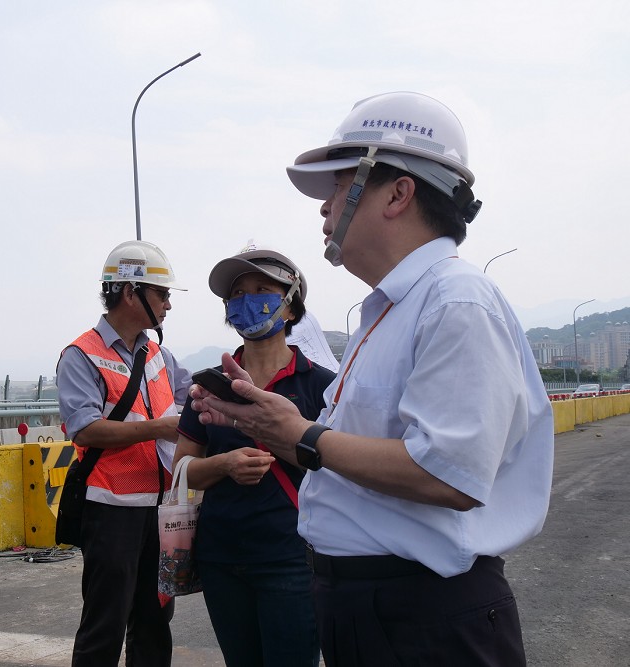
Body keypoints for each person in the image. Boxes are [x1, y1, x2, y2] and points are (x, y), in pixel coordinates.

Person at [189, 92, 553, 665]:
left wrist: (300, 436)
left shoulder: (455, 300)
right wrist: (278, 423)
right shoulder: (384, 312)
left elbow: (449, 475)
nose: (324, 209)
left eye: (336, 189)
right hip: (368, 606)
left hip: (424, 616)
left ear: (397, 192)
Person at [172, 245, 334, 667]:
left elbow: (343, 470)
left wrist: (288, 443)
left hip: (293, 559)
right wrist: (224, 465)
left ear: (291, 307)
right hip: (222, 557)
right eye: (238, 294)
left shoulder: (323, 386)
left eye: (262, 289)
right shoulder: (208, 386)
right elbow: (182, 470)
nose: (248, 300)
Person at [57, 240, 192, 667]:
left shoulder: (159, 354)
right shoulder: (82, 355)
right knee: (105, 624)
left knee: (156, 620)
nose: (168, 304)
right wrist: (158, 428)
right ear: (131, 293)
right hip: (111, 509)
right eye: (162, 294)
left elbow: (193, 394)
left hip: (162, 509)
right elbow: (85, 428)